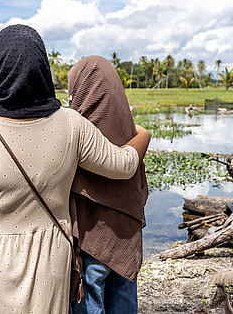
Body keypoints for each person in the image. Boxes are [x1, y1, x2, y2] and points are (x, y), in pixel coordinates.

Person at [0, 25, 150, 313]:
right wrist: (143, 134)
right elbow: (123, 166)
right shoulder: (71, 125)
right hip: (47, 261)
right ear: (43, 68)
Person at [68, 56, 148, 314]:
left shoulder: (75, 136)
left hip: (89, 243)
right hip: (126, 239)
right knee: (124, 298)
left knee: (90, 299)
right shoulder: (133, 137)